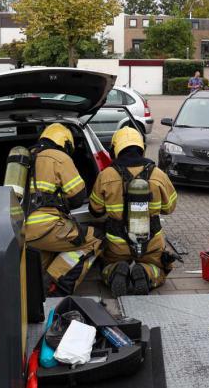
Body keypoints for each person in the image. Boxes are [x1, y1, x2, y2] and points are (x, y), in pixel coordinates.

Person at [89, 127, 178, 296]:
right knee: (160, 267)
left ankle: (115, 271)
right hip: (151, 240)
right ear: (141, 147)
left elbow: (95, 210)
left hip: (117, 243)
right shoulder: (158, 174)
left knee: (106, 265)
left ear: (115, 149)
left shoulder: (106, 175)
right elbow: (169, 208)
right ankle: (146, 273)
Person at [24, 123, 102, 295]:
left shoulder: (26, 156)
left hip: (19, 229)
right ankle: (55, 284)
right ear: (65, 143)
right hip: (46, 226)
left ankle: (34, 289)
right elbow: (78, 197)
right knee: (95, 237)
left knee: (45, 251)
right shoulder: (59, 157)